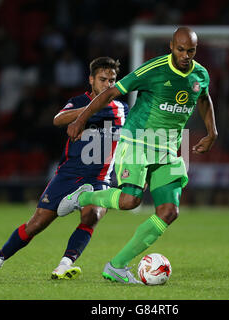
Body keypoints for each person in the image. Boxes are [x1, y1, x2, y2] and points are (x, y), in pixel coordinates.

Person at [58, 27, 218, 284]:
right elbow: (111, 93)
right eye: (180, 50)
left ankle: (117, 266)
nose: (185, 56)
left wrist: (212, 131)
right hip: (138, 141)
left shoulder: (201, 74)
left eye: (191, 51)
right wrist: (81, 118)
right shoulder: (154, 69)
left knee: (169, 211)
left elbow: (204, 98)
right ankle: (82, 196)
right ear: (171, 46)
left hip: (167, 149)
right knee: (131, 200)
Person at [0, 57, 128, 280]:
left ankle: (64, 265)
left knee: (92, 215)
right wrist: (91, 110)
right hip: (68, 175)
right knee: (35, 224)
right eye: (103, 80)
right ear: (91, 80)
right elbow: (58, 120)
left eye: (112, 81)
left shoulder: (122, 109)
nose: (108, 85)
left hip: (99, 177)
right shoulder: (78, 101)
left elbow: (135, 136)